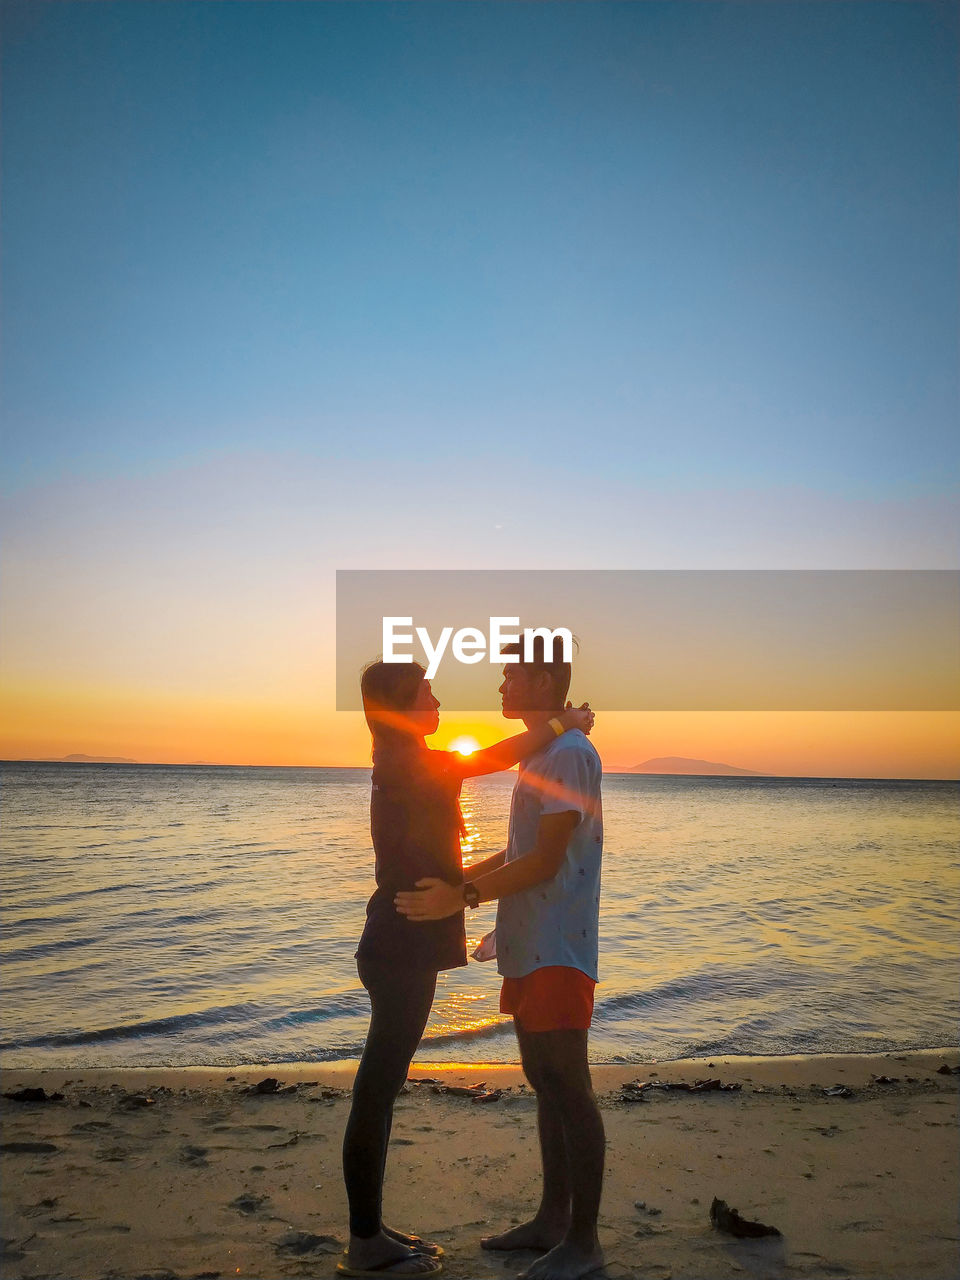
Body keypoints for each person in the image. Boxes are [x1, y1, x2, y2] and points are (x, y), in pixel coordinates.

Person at [339, 658, 594, 1279]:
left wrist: (468, 892)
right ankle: (365, 1241)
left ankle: (371, 1228)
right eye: (424, 690)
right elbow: (493, 757)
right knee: (379, 1085)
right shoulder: (406, 760)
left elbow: (483, 825)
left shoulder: (408, 760)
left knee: (384, 1082)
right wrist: (563, 720)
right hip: (401, 943)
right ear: (399, 707)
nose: (436, 697)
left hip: (408, 941)